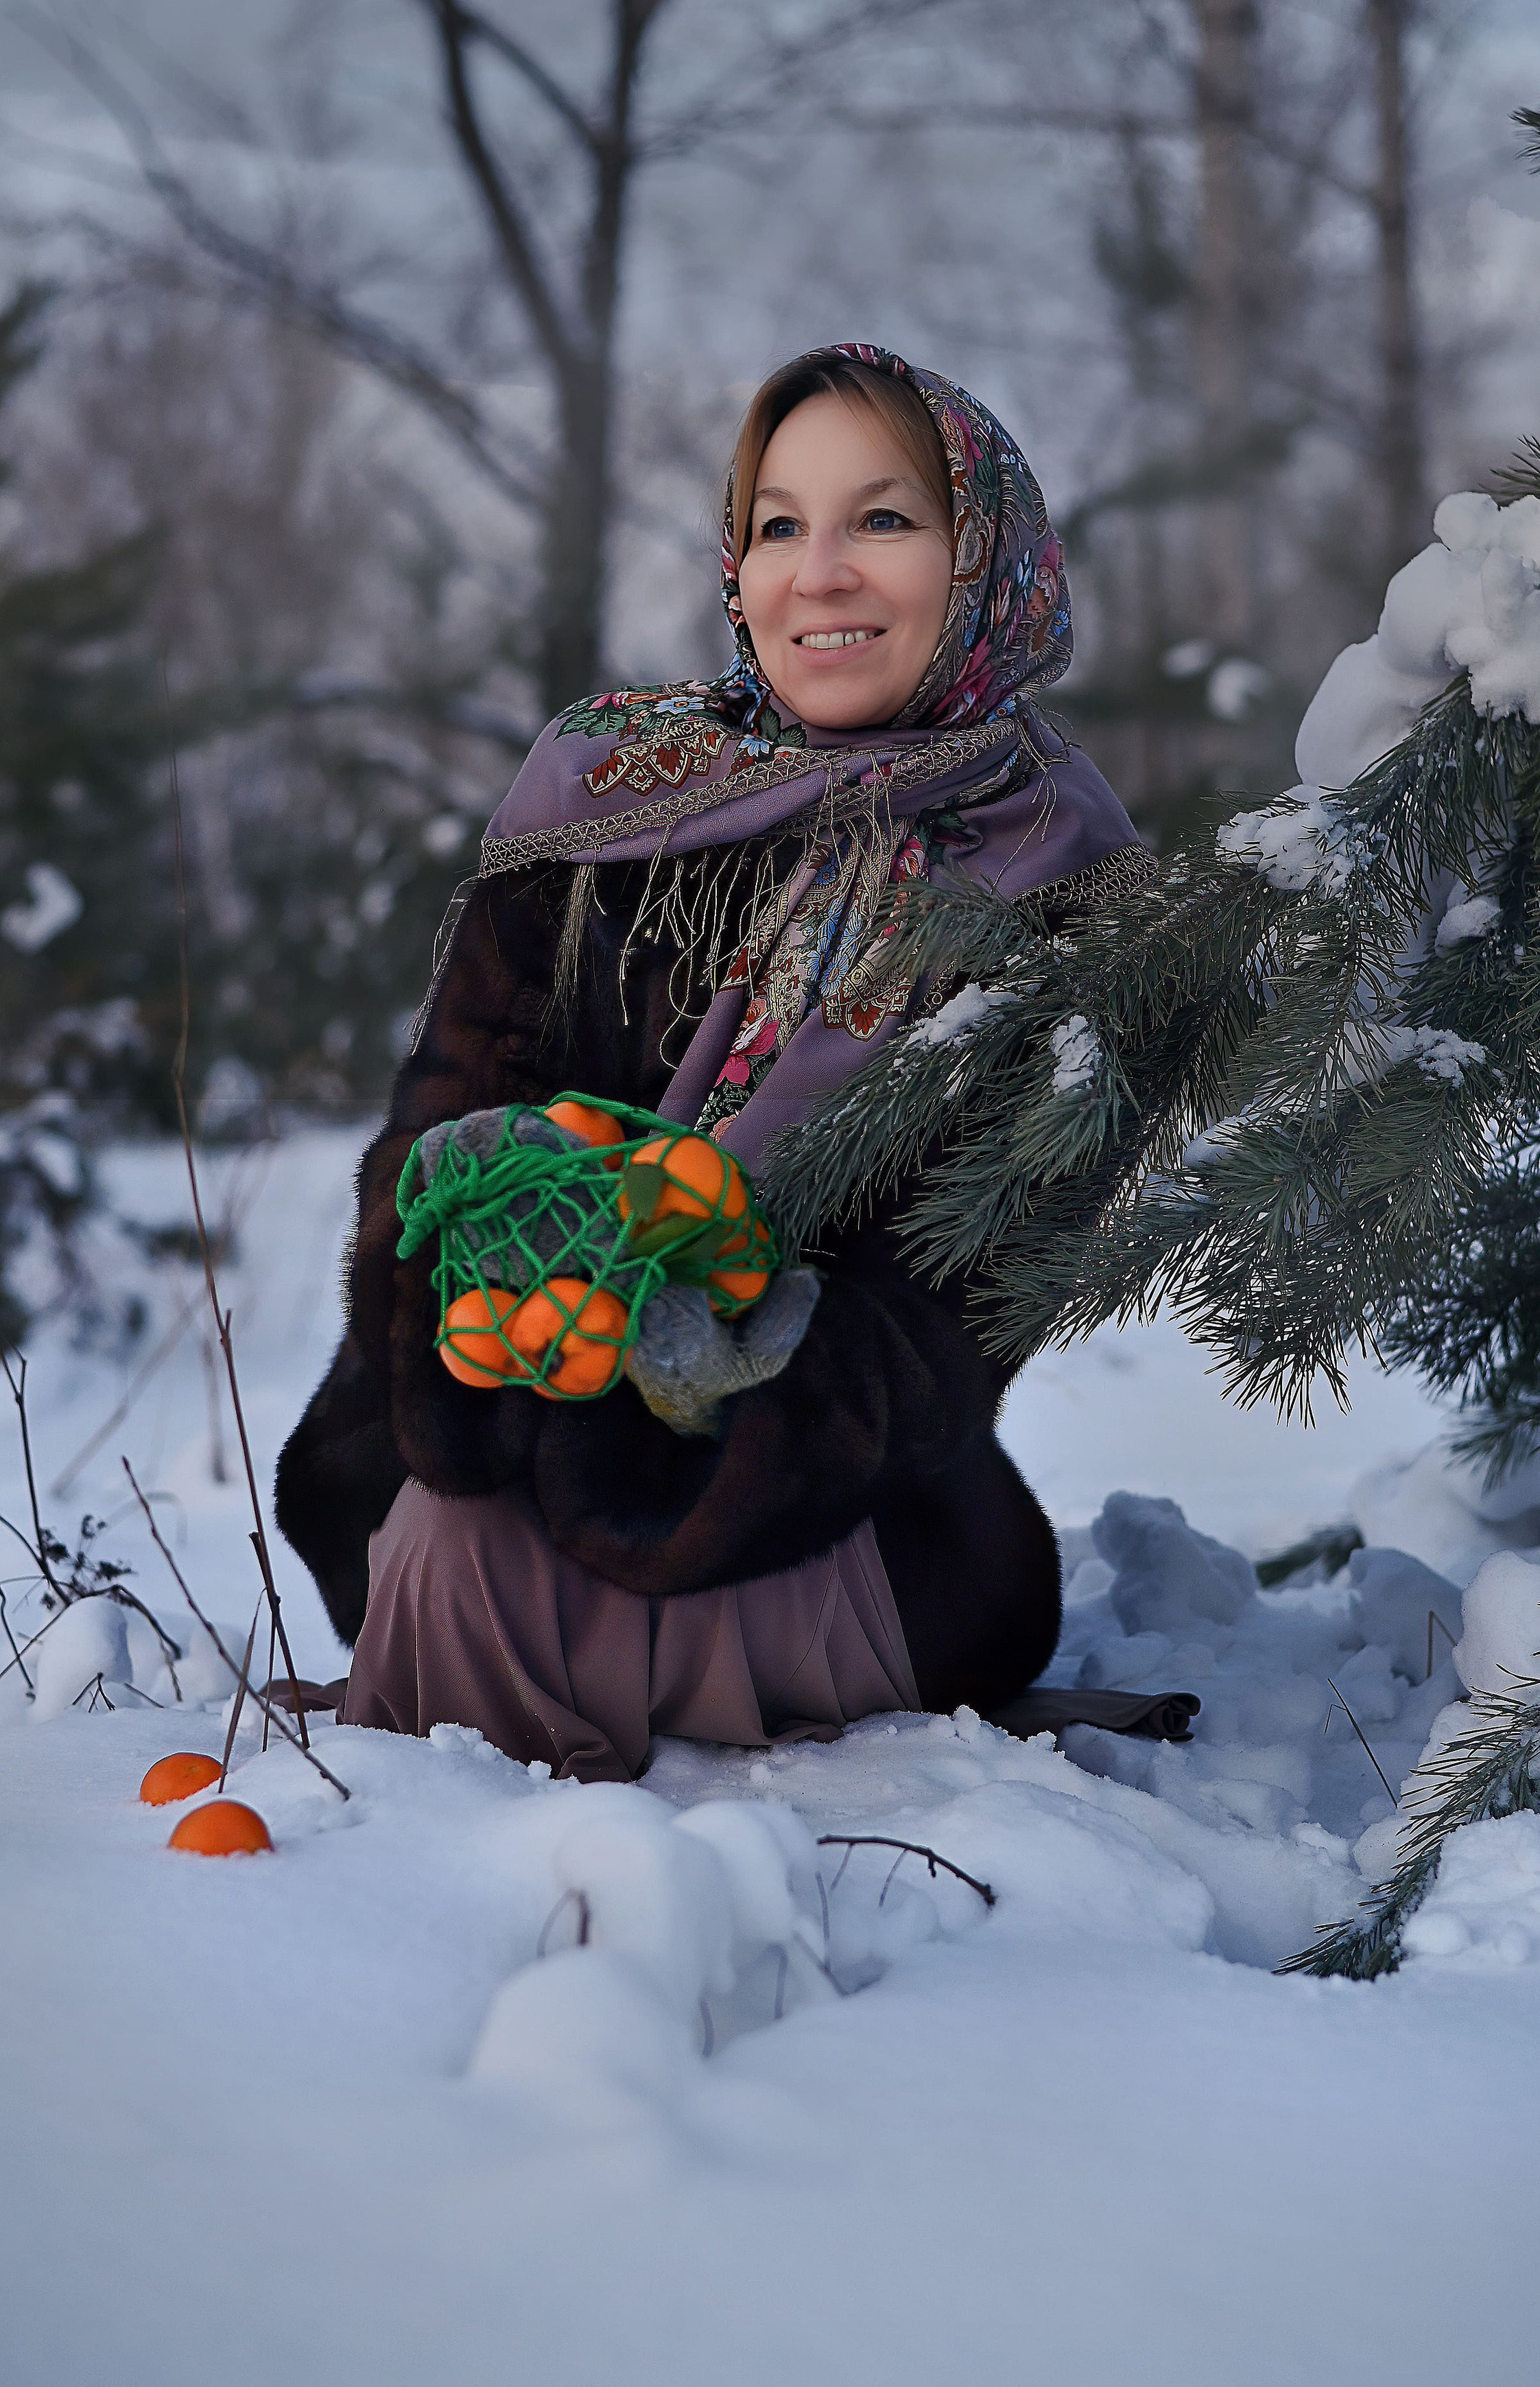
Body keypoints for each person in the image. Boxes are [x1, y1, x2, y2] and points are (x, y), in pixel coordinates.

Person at [275, 342, 1172, 1781]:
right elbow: (430, 1169)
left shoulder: (1064, 889)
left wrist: (657, 1396)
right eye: (777, 524)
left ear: (987, 562)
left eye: (884, 519)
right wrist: (505, 1354)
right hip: (482, 1449)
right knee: (444, 1547)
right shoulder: (604, 803)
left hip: (833, 1518)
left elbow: (939, 1329)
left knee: (471, 1575)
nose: (818, 573)